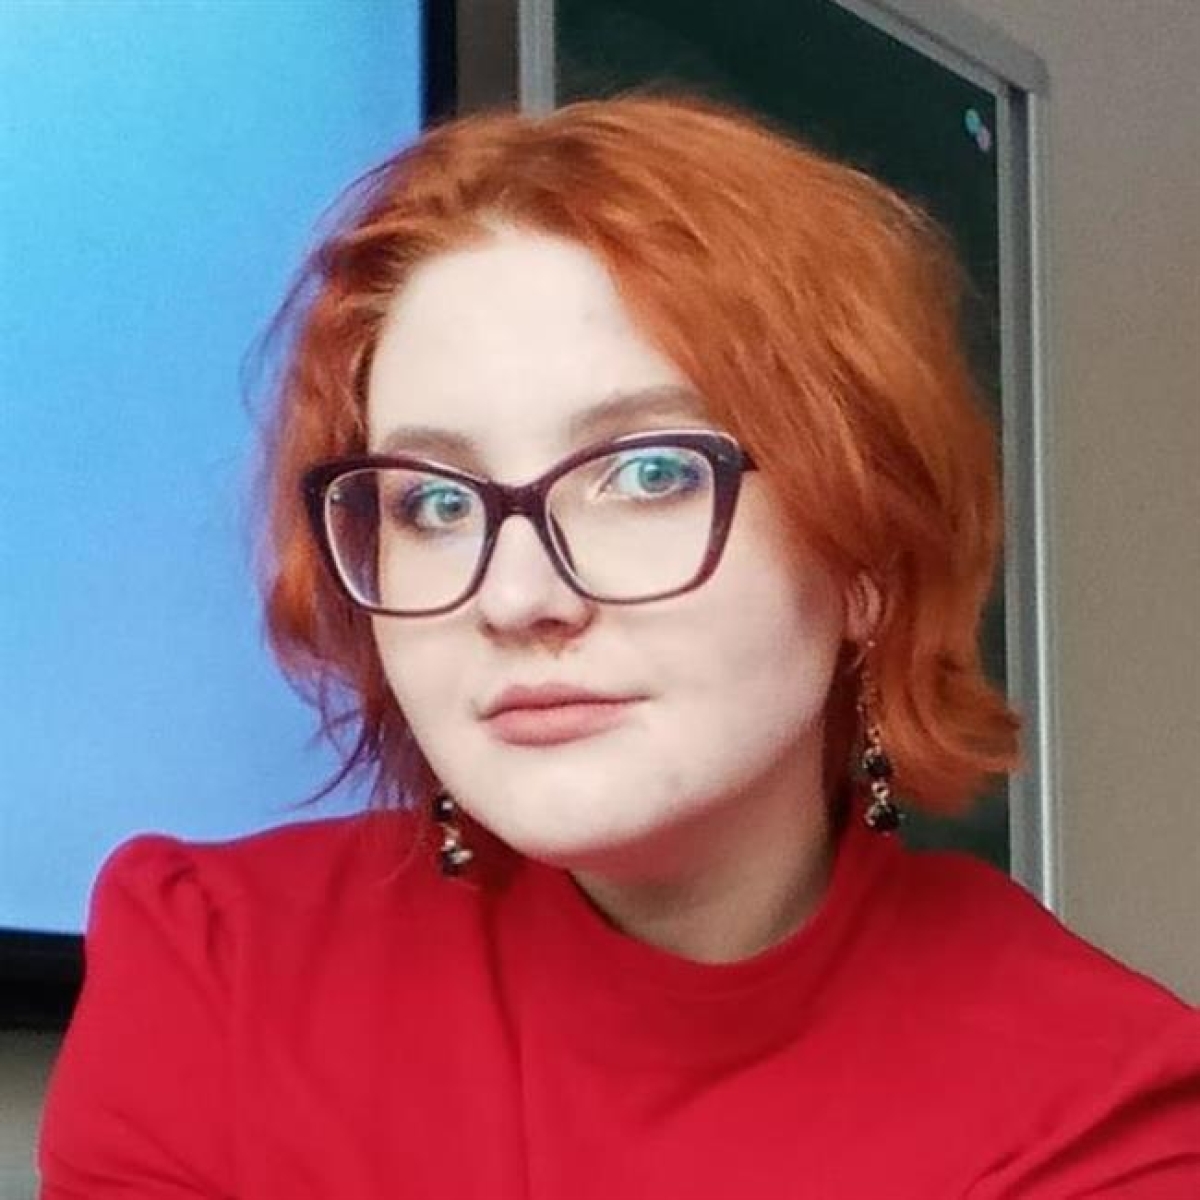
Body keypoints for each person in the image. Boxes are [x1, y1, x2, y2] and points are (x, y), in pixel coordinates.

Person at [39, 94, 1200, 1198]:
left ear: (866, 561)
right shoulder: (216, 962)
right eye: (432, 502)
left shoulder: (1096, 1104)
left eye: (647, 474)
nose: (517, 596)